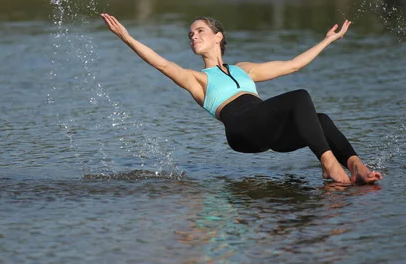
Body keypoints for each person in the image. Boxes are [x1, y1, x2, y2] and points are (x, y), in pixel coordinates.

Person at [100, 13, 382, 184]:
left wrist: (328, 40)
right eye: (190, 34)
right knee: (299, 97)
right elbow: (162, 64)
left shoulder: (244, 70)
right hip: (241, 130)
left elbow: (294, 64)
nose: (193, 36)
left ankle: (355, 165)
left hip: (269, 134)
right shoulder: (198, 79)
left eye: (200, 31)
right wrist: (126, 36)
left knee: (320, 120)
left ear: (217, 36)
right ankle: (330, 165)